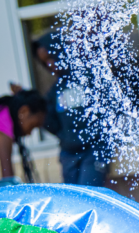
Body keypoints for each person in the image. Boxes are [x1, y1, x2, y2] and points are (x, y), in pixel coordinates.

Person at [33, 31, 111, 187]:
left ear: (61, 52)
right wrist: (65, 136)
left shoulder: (89, 78)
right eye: (44, 62)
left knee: (89, 195)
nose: (50, 65)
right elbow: (49, 122)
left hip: (94, 151)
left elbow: (108, 110)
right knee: (74, 201)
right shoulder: (54, 91)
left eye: (51, 58)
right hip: (69, 154)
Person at [0, 83, 47, 183]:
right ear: (24, 111)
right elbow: (7, 180)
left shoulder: (2, 113)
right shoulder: (4, 121)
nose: (29, 133)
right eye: (33, 126)